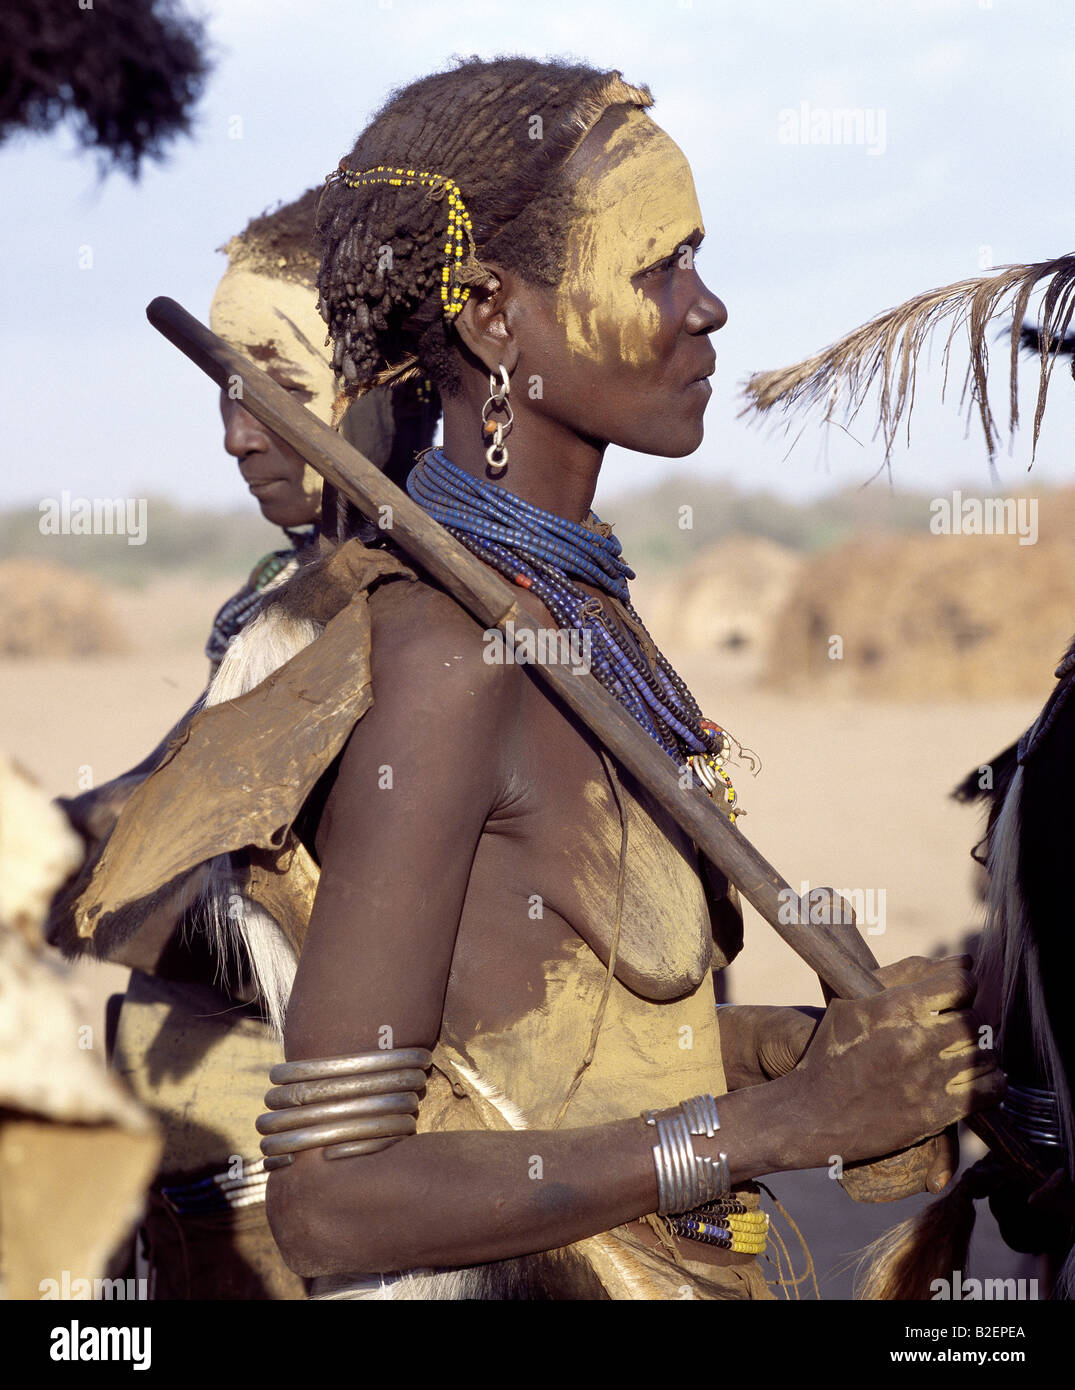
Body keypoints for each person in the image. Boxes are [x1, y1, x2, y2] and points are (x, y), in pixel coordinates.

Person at [63, 56, 1004, 1301]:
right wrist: (782, 1129)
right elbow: (337, 1204)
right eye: (657, 265)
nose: (707, 304)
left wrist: (787, 1053)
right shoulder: (449, 663)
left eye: (696, 257)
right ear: (494, 319)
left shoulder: (579, 620)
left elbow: (528, 1063)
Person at [48, 188, 438, 1299]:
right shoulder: (281, 595)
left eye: (272, 380)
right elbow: (155, 802)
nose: (234, 431)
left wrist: (59, 875)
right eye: (221, 386)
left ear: (393, 384)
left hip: (350, 1221)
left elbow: (203, 883)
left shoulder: (428, 619)